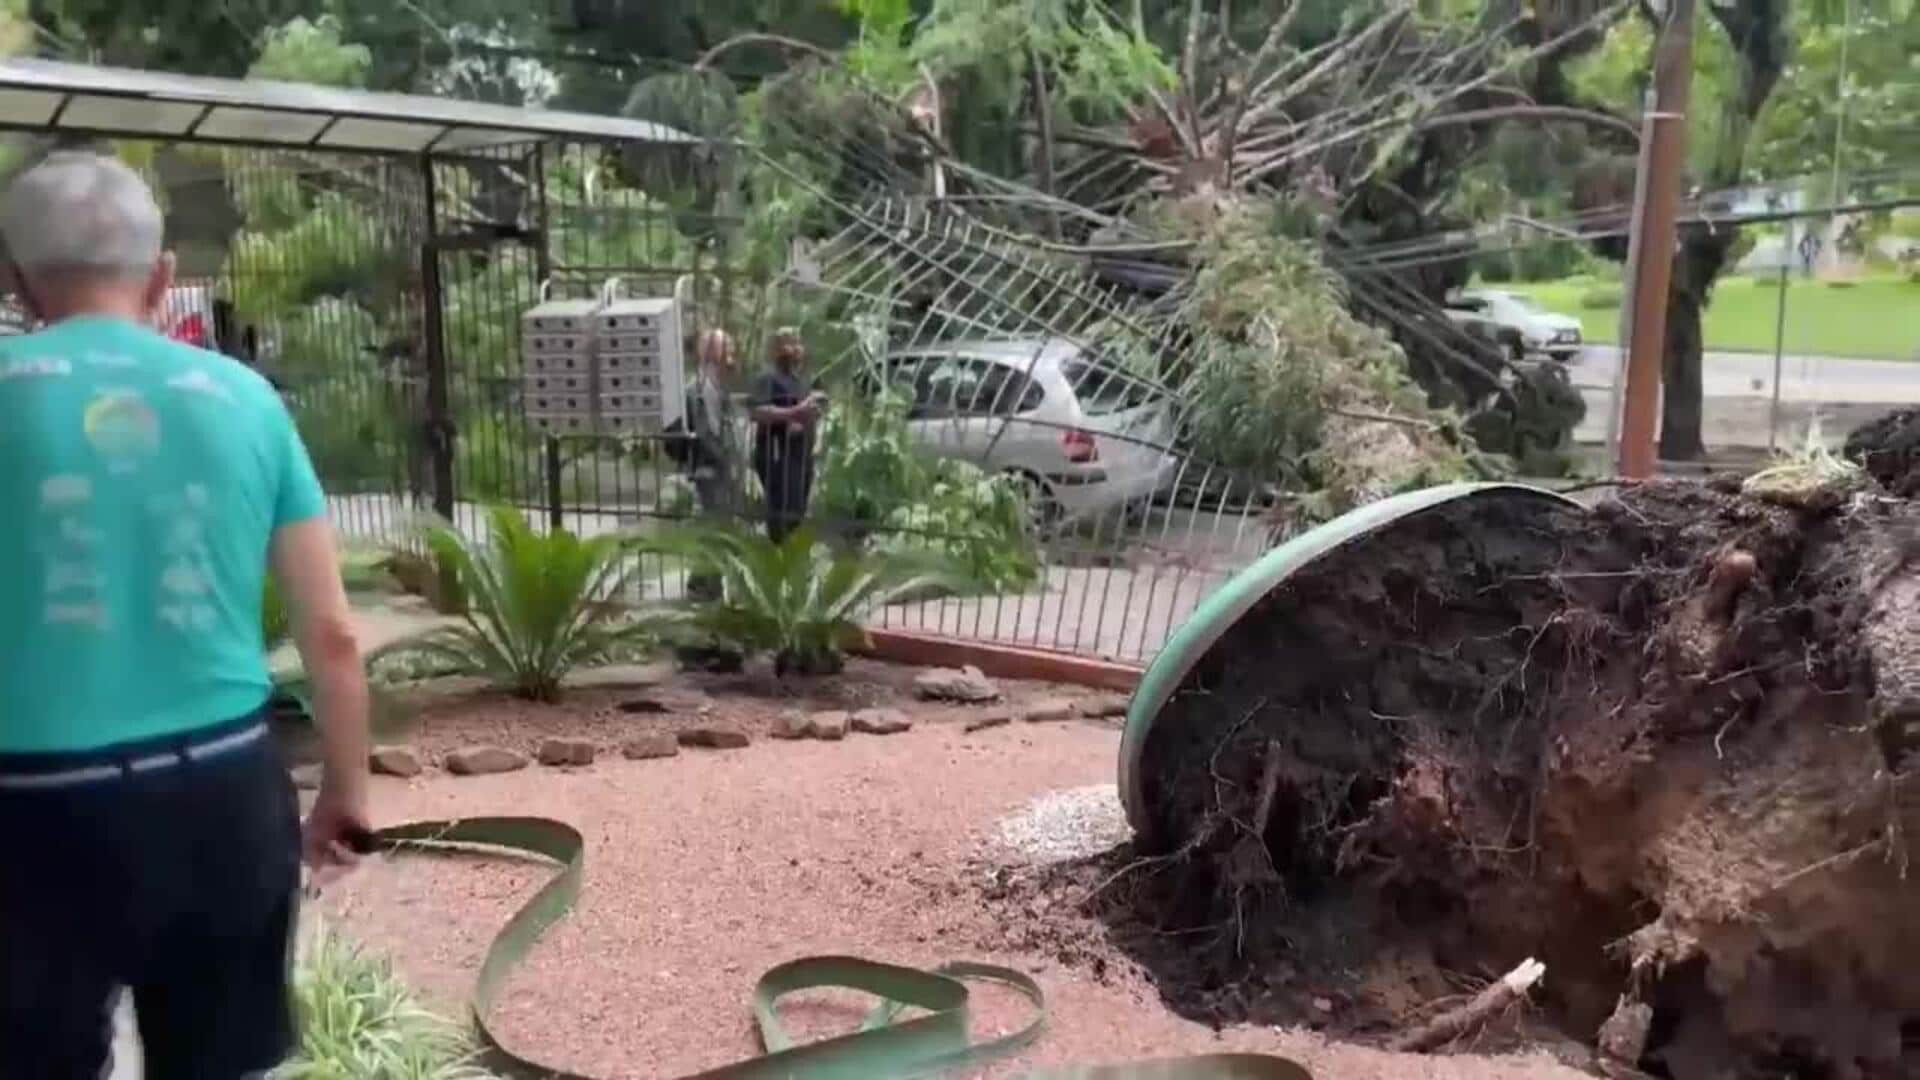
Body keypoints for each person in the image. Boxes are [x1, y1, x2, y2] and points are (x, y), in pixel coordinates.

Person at [0, 151, 373, 1079]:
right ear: (162, 278)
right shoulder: (246, 400)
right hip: (217, 791)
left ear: (13, 280)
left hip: (23, 810)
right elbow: (331, 633)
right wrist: (347, 791)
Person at [748, 327, 825, 543]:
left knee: (797, 513)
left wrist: (812, 414)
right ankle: (778, 556)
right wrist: (794, 413)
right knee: (783, 513)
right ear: (776, 350)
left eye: (798, 343)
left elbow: (803, 412)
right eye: (789, 343)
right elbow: (758, 412)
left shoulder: (799, 380)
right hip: (778, 455)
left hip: (801, 457)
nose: (796, 349)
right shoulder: (768, 378)